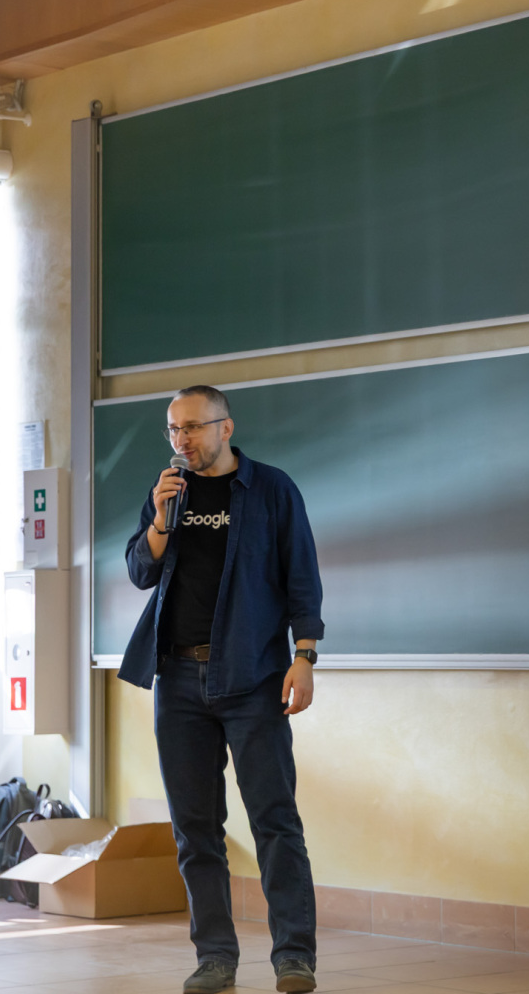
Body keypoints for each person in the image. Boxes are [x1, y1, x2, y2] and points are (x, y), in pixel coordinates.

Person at [119, 385, 324, 994]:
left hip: (253, 677)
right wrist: (161, 520)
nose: (181, 439)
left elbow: (302, 577)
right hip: (179, 679)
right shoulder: (169, 493)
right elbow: (139, 570)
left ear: (225, 427)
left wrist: (304, 656)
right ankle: (215, 957)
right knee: (195, 830)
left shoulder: (271, 490)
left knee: (275, 822)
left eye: (193, 427)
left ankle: (294, 957)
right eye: (173, 429)